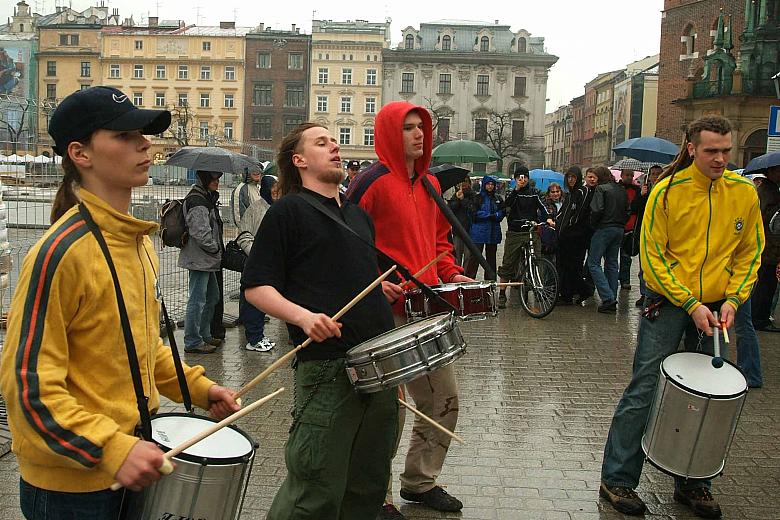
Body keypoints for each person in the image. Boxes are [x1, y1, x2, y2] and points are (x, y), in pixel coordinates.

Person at [0, 86, 239, 519]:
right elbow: (27, 387)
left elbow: (141, 350)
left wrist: (200, 389)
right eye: (125, 135)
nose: (145, 143)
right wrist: (111, 447)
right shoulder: (61, 253)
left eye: (143, 133)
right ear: (81, 153)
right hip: (71, 490)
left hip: (129, 461)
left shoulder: (137, 244)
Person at [599, 115, 763, 519]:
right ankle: (617, 478)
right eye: (711, 151)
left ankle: (695, 483)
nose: (721, 159)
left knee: (708, 397)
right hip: (670, 305)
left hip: (718, 308)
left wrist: (734, 299)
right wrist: (691, 304)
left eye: (726, 151)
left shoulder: (743, 193)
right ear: (692, 148)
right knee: (645, 388)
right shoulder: (667, 193)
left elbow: (749, 252)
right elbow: (653, 259)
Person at [242, 123, 400, 520]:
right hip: (329, 369)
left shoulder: (358, 217)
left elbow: (341, 273)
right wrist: (304, 317)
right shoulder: (288, 211)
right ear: (299, 161)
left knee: (367, 484)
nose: (334, 146)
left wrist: (376, 290)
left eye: (334, 141)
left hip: (379, 365)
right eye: (321, 142)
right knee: (314, 488)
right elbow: (256, 287)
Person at [346, 101, 470, 519]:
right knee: (389, 410)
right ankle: (374, 494)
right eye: (409, 128)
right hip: (387, 313)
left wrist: (452, 272)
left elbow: (440, 242)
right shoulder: (370, 183)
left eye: (422, 127)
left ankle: (419, 481)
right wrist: (375, 281)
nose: (419, 134)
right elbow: (346, 245)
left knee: (445, 400)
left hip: (429, 307)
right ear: (388, 133)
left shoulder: (431, 183)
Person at [179, 169, 224, 353]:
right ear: (204, 178)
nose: (217, 182)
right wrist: (215, 247)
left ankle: (204, 335)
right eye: (213, 178)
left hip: (206, 259)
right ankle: (192, 341)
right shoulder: (197, 201)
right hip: (200, 259)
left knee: (211, 297)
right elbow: (200, 233)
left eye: (218, 178)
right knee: (197, 300)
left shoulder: (205, 197)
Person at [496, 167, 554, 308]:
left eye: (525, 177)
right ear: (515, 179)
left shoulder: (535, 193)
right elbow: (506, 204)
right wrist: (516, 190)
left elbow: (544, 206)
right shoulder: (511, 191)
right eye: (519, 177)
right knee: (508, 263)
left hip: (531, 230)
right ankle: (502, 293)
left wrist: (549, 218)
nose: (523, 180)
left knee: (536, 259)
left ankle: (536, 288)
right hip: (515, 231)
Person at [235, 196, 276, 352]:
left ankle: (258, 335)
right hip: (256, 262)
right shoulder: (256, 208)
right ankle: (254, 339)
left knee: (261, 302)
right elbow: (243, 234)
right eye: (273, 190)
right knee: (253, 300)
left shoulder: (278, 207)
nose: (276, 193)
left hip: (269, 263)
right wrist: (256, 253)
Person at [587, 166, 628, 313]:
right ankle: (612, 297)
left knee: (593, 263)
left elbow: (597, 209)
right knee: (611, 263)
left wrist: (593, 224)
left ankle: (607, 297)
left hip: (604, 228)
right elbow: (627, 210)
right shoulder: (621, 190)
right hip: (619, 228)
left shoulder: (601, 189)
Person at [556, 166, 595, 305]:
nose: (571, 179)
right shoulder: (571, 193)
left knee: (572, 267)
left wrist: (567, 226)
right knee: (566, 267)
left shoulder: (581, 192)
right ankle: (567, 294)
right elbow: (563, 213)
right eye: (569, 177)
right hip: (566, 236)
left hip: (576, 236)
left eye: (573, 177)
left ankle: (582, 291)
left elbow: (577, 215)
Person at [751, 164, 780, 332]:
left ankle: (758, 316)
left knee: (765, 283)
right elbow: (771, 223)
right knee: (766, 285)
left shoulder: (768, 189)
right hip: (769, 247)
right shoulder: (770, 193)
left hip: (767, 246)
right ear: (771, 172)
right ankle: (760, 318)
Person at [631, 164, 664, 306]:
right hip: (644, 232)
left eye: (658, 174)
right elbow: (634, 208)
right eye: (653, 174)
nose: (655, 177)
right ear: (649, 176)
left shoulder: (665, 190)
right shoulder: (643, 190)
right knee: (643, 267)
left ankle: (656, 294)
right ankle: (644, 294)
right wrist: (641, 196)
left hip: (660, 234)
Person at [464, 175, 504, 280]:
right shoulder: (478, 198)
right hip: (479, 232)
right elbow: (473, 213)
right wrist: (489, 215)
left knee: (491, 259)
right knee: (475, 258)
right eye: (488, 184)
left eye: (492, 184)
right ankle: (469, 281)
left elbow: (502, 211)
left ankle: (490, 282)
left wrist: (497, 215)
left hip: (493, 232)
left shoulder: (497, 198)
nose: (490, 186)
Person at [447, 175, 478, 267]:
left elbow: (473, 210)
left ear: (469, 183)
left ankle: (466, 274)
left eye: (465, 181)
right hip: (458, 230)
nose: (463, 184)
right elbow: (451, 210)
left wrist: (463, 200)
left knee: (468, 256)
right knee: (457, 256)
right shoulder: (455, 195)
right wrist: (457, 199)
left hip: (470, 230)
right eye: (462, 182)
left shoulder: (473, 195)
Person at [617, 169, 639, 290]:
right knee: (613, 257)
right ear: (622, 175)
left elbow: (636, 207)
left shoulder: (637, 190)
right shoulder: (617, 188)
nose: (629, 177)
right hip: (618, 225)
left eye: (631, 175)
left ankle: (625, 279)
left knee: (626, 256)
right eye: (627, 175)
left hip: (630, 227)